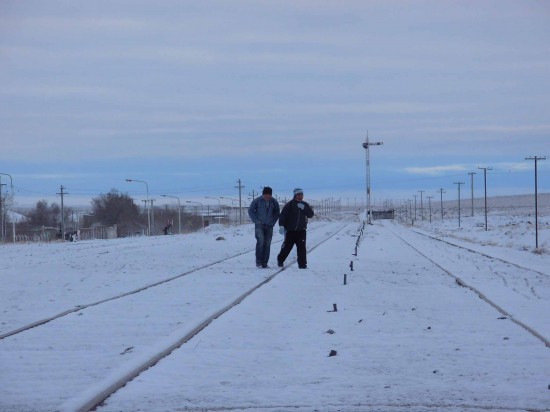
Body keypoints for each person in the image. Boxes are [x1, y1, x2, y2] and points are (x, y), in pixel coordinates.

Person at [277, 188, 314, 269]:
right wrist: (281, 225)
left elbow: (310, 214)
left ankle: (302, 265)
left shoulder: (305, 204)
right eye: (299, 195)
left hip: (301, 230)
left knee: (302, 248)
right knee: (287, 247)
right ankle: (280, 260)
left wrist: (304, 208)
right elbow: (283, 215)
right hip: (291, 230)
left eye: (301, 195)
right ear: (295, 195)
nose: (301, 196)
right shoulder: (290, 204)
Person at [248, 186, 280, 268]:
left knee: (267, 243)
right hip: (259, 225)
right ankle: (258, 262)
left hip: (269, 225)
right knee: (261, 242)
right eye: (266, 194)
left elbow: (277, 212)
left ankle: (265, 262)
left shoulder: (274, 202)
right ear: (263, 194)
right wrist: (256, 220)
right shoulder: (257, 201)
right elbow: (251, 210)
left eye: (269, 194)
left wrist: (273, 222)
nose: (267, 196)